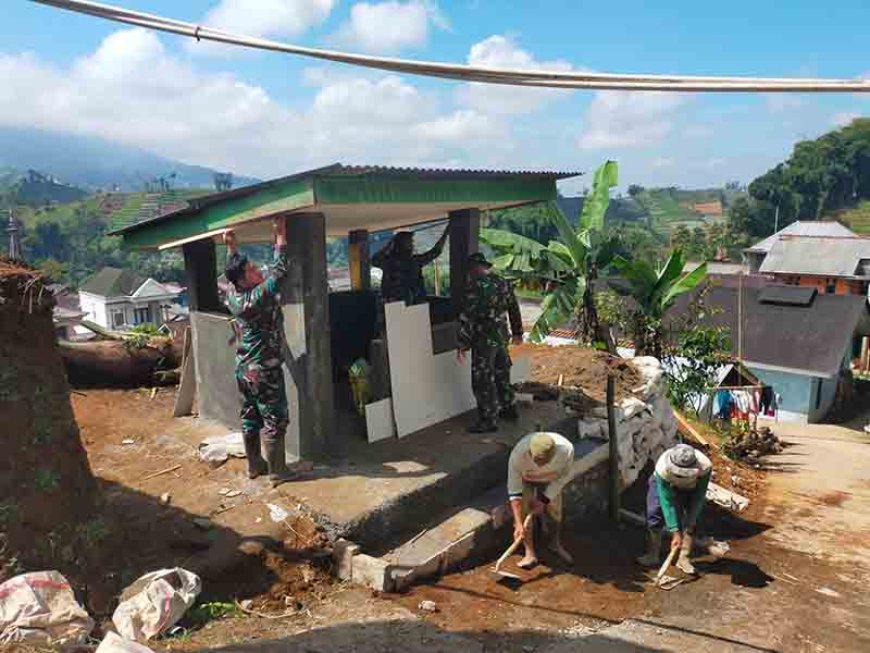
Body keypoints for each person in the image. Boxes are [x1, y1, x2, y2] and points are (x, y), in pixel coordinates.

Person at [223, 219, 295, 487]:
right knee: (275, 417)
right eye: (252, 269)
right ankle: (278, 471)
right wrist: (280, 234)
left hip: (243, 369)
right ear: (244, 278)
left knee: (250, 416)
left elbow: (232, 271)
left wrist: (232, 247)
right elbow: (280, 270)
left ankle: (254, 465)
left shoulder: (233, 295)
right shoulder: (258, 296)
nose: (257, 270)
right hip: (264, 369)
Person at [457, 252, 524, 433]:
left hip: (484, 340)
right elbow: (514, 307)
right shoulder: (503, 283)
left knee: (483, 379)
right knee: (502, 373)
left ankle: (488, 420)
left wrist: (462, 343)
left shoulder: (474, 287)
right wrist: (518, 332)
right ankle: (509, 408)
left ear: (473, 268)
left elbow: (467, 317)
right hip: (501, 336)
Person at [638, 443, 713, 574]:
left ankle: (683, 558)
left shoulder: (705, 466)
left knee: (693, 520)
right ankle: (652, 555)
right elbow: (667, 501)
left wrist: (690, 520)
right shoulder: (662, 467)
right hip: (664, 484)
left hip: (691, 488)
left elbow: (699, 496)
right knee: (654, 512)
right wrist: (675, 531)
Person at [507, 431, 575, 568]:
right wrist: (518, 523)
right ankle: (529, 553)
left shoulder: (566, 451)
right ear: (530, 452)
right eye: (536, 460)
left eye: (544, 461)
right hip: (525, 480)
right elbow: (514, 492)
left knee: (555, 511)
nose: (539, 465)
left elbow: (563, 478)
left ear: (554, 454)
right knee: (523, 513)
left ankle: (555, 544)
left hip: (552, 479)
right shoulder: (518, 455)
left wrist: (544, 500)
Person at [372, 225, 449, 304]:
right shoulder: (397, 262)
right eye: (410, 242)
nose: (413, 245)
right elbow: (435, 252)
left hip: (404, 304)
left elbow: (435, 252)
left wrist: (390, 244)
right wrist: (445, 234)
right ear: (401, 244)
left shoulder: (391, 261)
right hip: (405, 304)